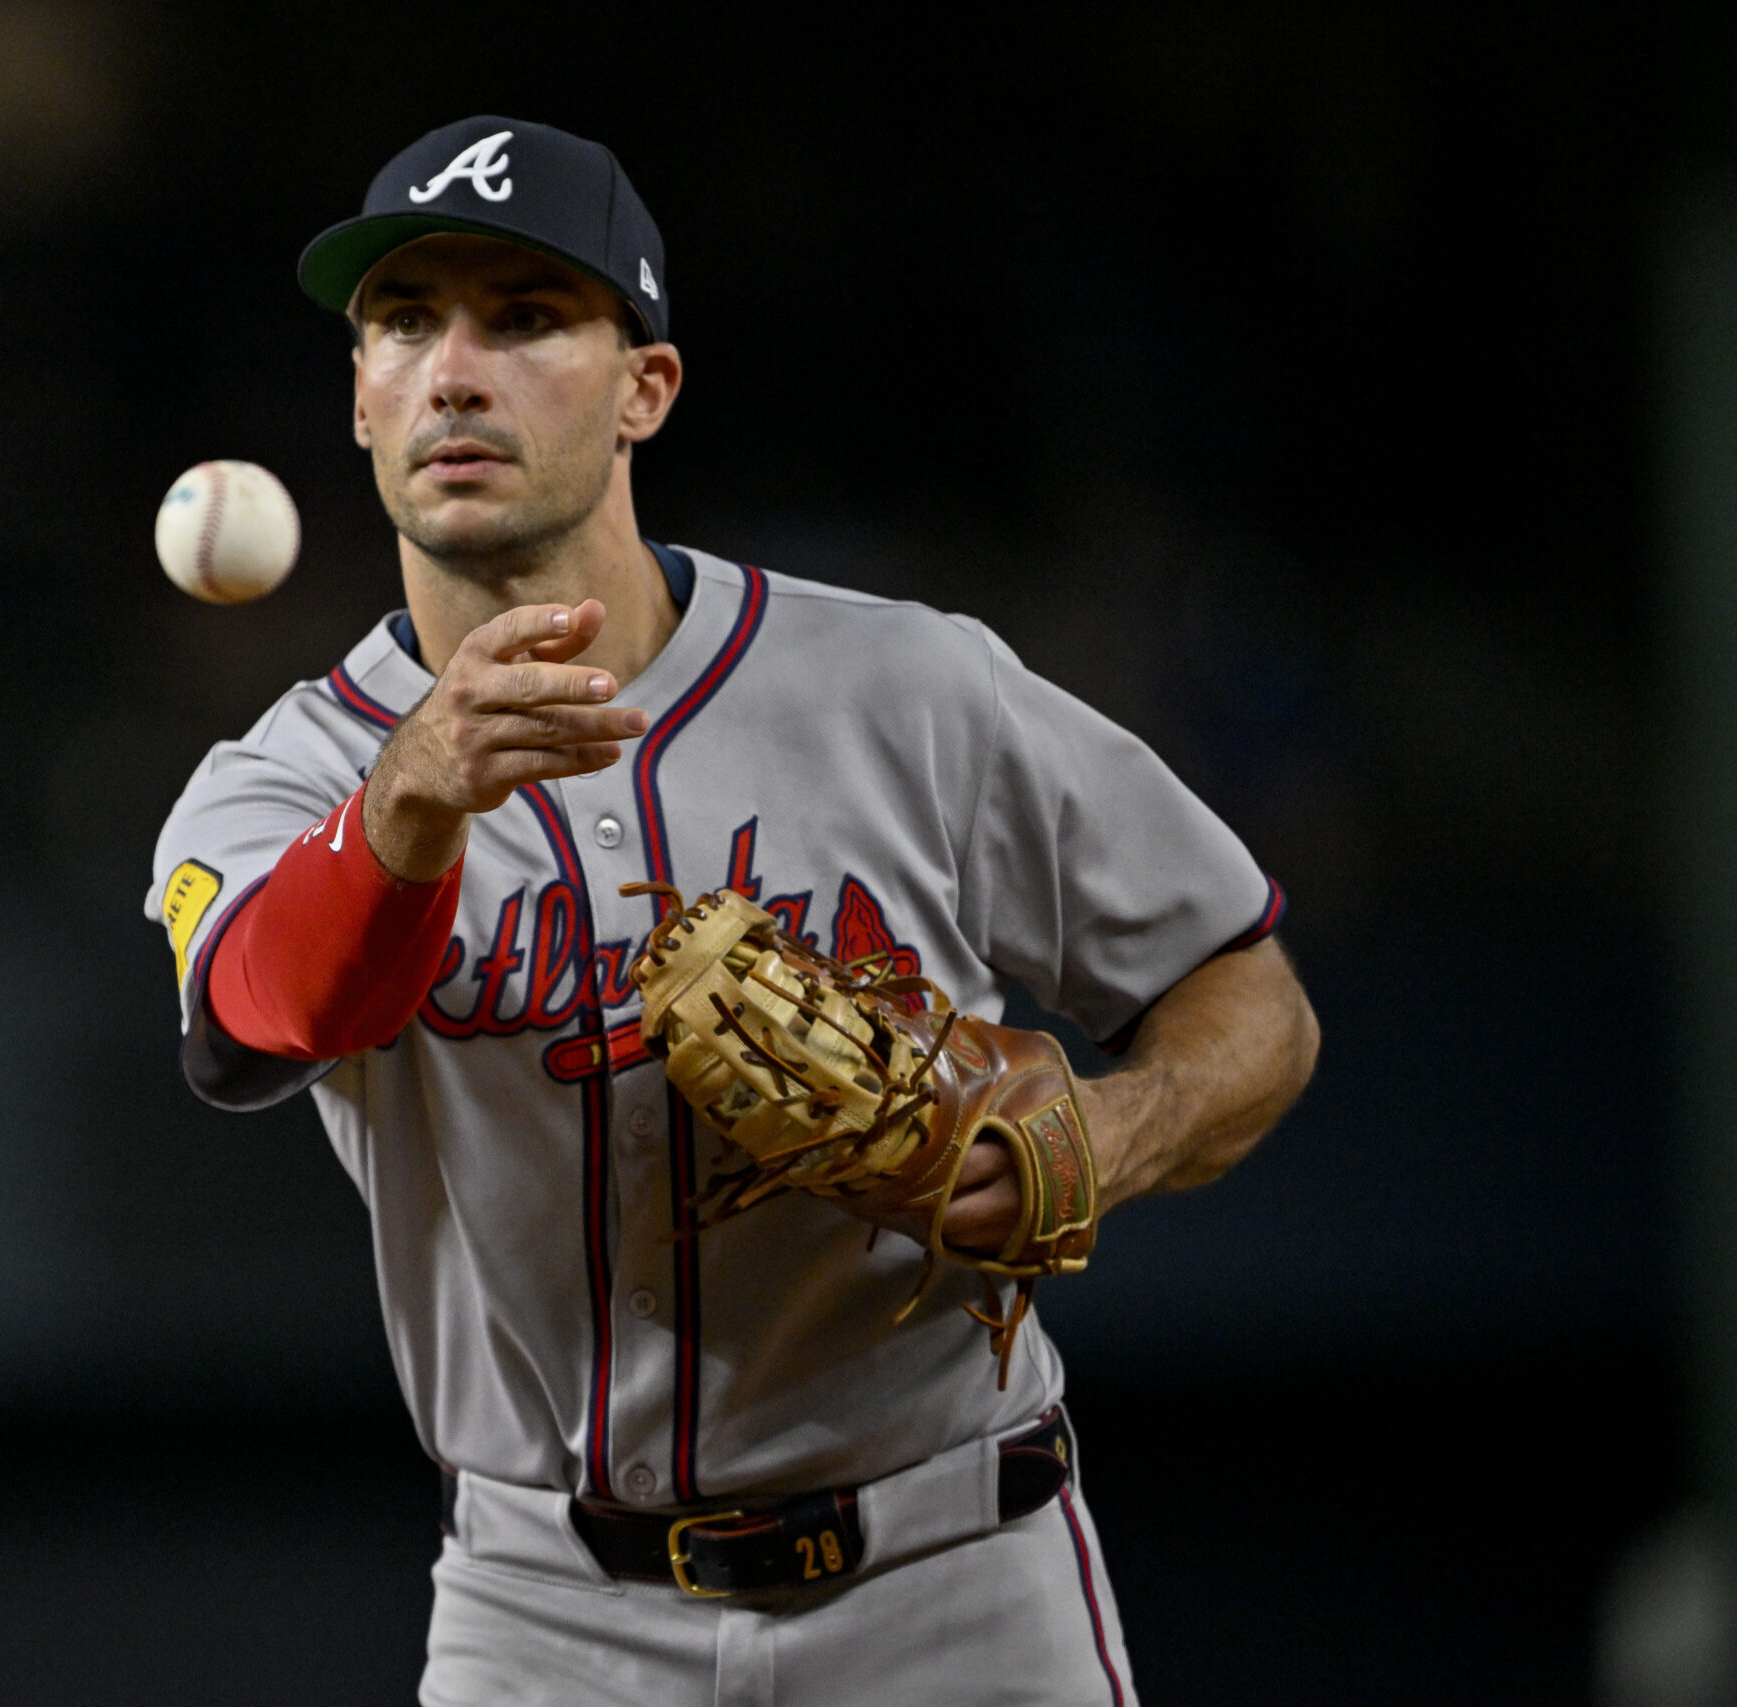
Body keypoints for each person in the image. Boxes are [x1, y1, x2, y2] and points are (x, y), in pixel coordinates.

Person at [146, 116, 1320, 1706]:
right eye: (407, 323)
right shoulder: (292, 780)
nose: (457, 369)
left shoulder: (907, 689)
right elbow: (253, 1022)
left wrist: (1112, 1140)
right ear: (359, 399)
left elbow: (1247, 996)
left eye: (529, 316)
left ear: (648, 388)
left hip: (952, 1574)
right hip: (548, 1613)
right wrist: (410, 803)